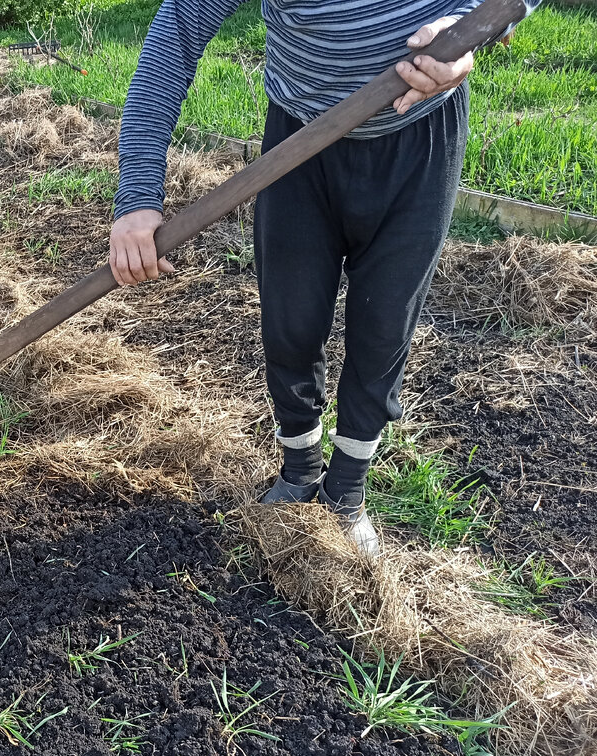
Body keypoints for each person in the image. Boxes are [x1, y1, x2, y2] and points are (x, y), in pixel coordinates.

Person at [110, 0, 514, 558]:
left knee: (383, 323)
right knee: (291, 320)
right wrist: (136, 197)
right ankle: (299, 468)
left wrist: (474, 27)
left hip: (419, 142)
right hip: (298, 144)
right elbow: (177, 31)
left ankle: (347, 489)